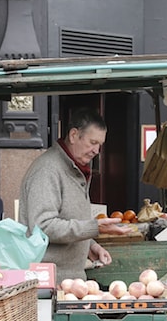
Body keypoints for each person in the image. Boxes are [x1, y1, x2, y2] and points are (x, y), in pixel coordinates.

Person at [20, 108, 129, 281]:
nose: (96, 150)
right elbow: (43, 227)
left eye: (99, 144)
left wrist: (90, 246)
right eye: (92, 142)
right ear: (73, 135)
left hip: (69, 279)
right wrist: (94, 228)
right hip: (50, 281)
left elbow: (68, 219)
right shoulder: (48, 170)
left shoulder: (76, 168)